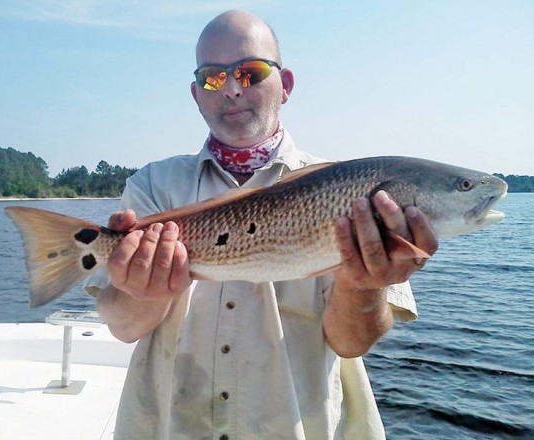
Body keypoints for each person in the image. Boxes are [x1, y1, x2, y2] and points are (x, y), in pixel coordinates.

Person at [87, 10, 438, 440]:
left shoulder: (354, 191)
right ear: (197, 95)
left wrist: (363, 286)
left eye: (250, 72)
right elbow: (124, 327)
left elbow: (351, 343)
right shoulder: (152, 187)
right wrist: (140, 291)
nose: (233, 88)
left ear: (285, 85)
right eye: (214, 78)